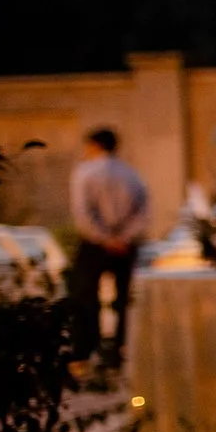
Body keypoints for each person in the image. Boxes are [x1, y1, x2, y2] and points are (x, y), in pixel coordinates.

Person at [68, 127, 149, 367]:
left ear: (93, 145)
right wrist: (124, 237)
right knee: (124, 298)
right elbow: (143, 211)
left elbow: (82, 212)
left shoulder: (85, 172)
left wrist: (103, 238)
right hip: (125, 246)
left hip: (94, 245)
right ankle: (121, 349)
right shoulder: (131, 174)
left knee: (85, 296)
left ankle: (85, 350)